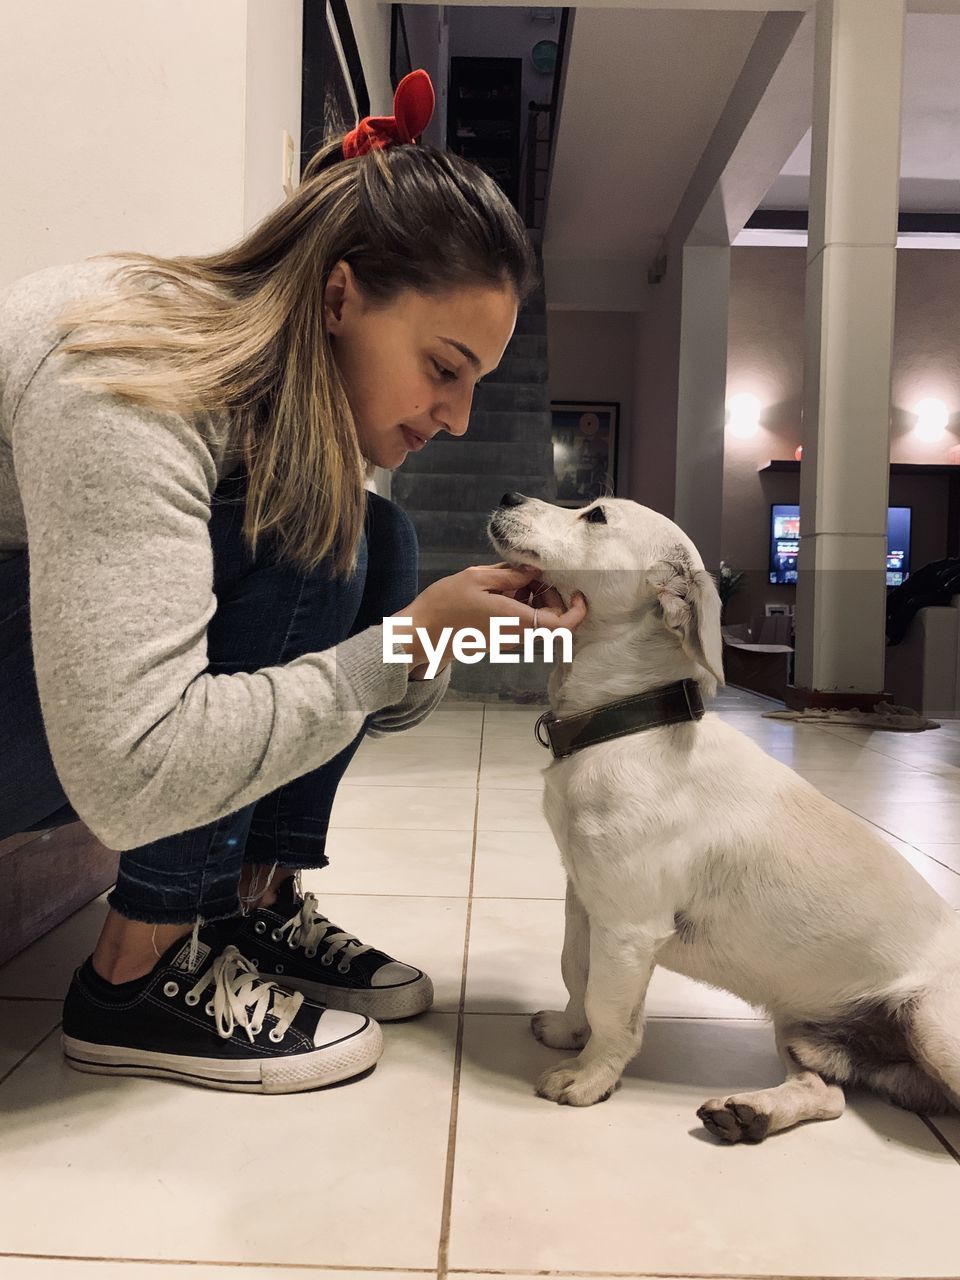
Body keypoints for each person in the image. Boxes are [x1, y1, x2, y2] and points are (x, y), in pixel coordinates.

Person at [0, 70, 587, 1094]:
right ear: (339, 294)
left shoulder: (279, 394)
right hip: (94, 738)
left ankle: (246, 905)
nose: (453, 415)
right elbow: (130, 767)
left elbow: (372, 695)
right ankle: (137, 971)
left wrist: (435, 636)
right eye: (444, 365)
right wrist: (398, 644)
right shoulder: (123, 369)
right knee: (320, 530)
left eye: (475, 385)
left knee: (375, 534)